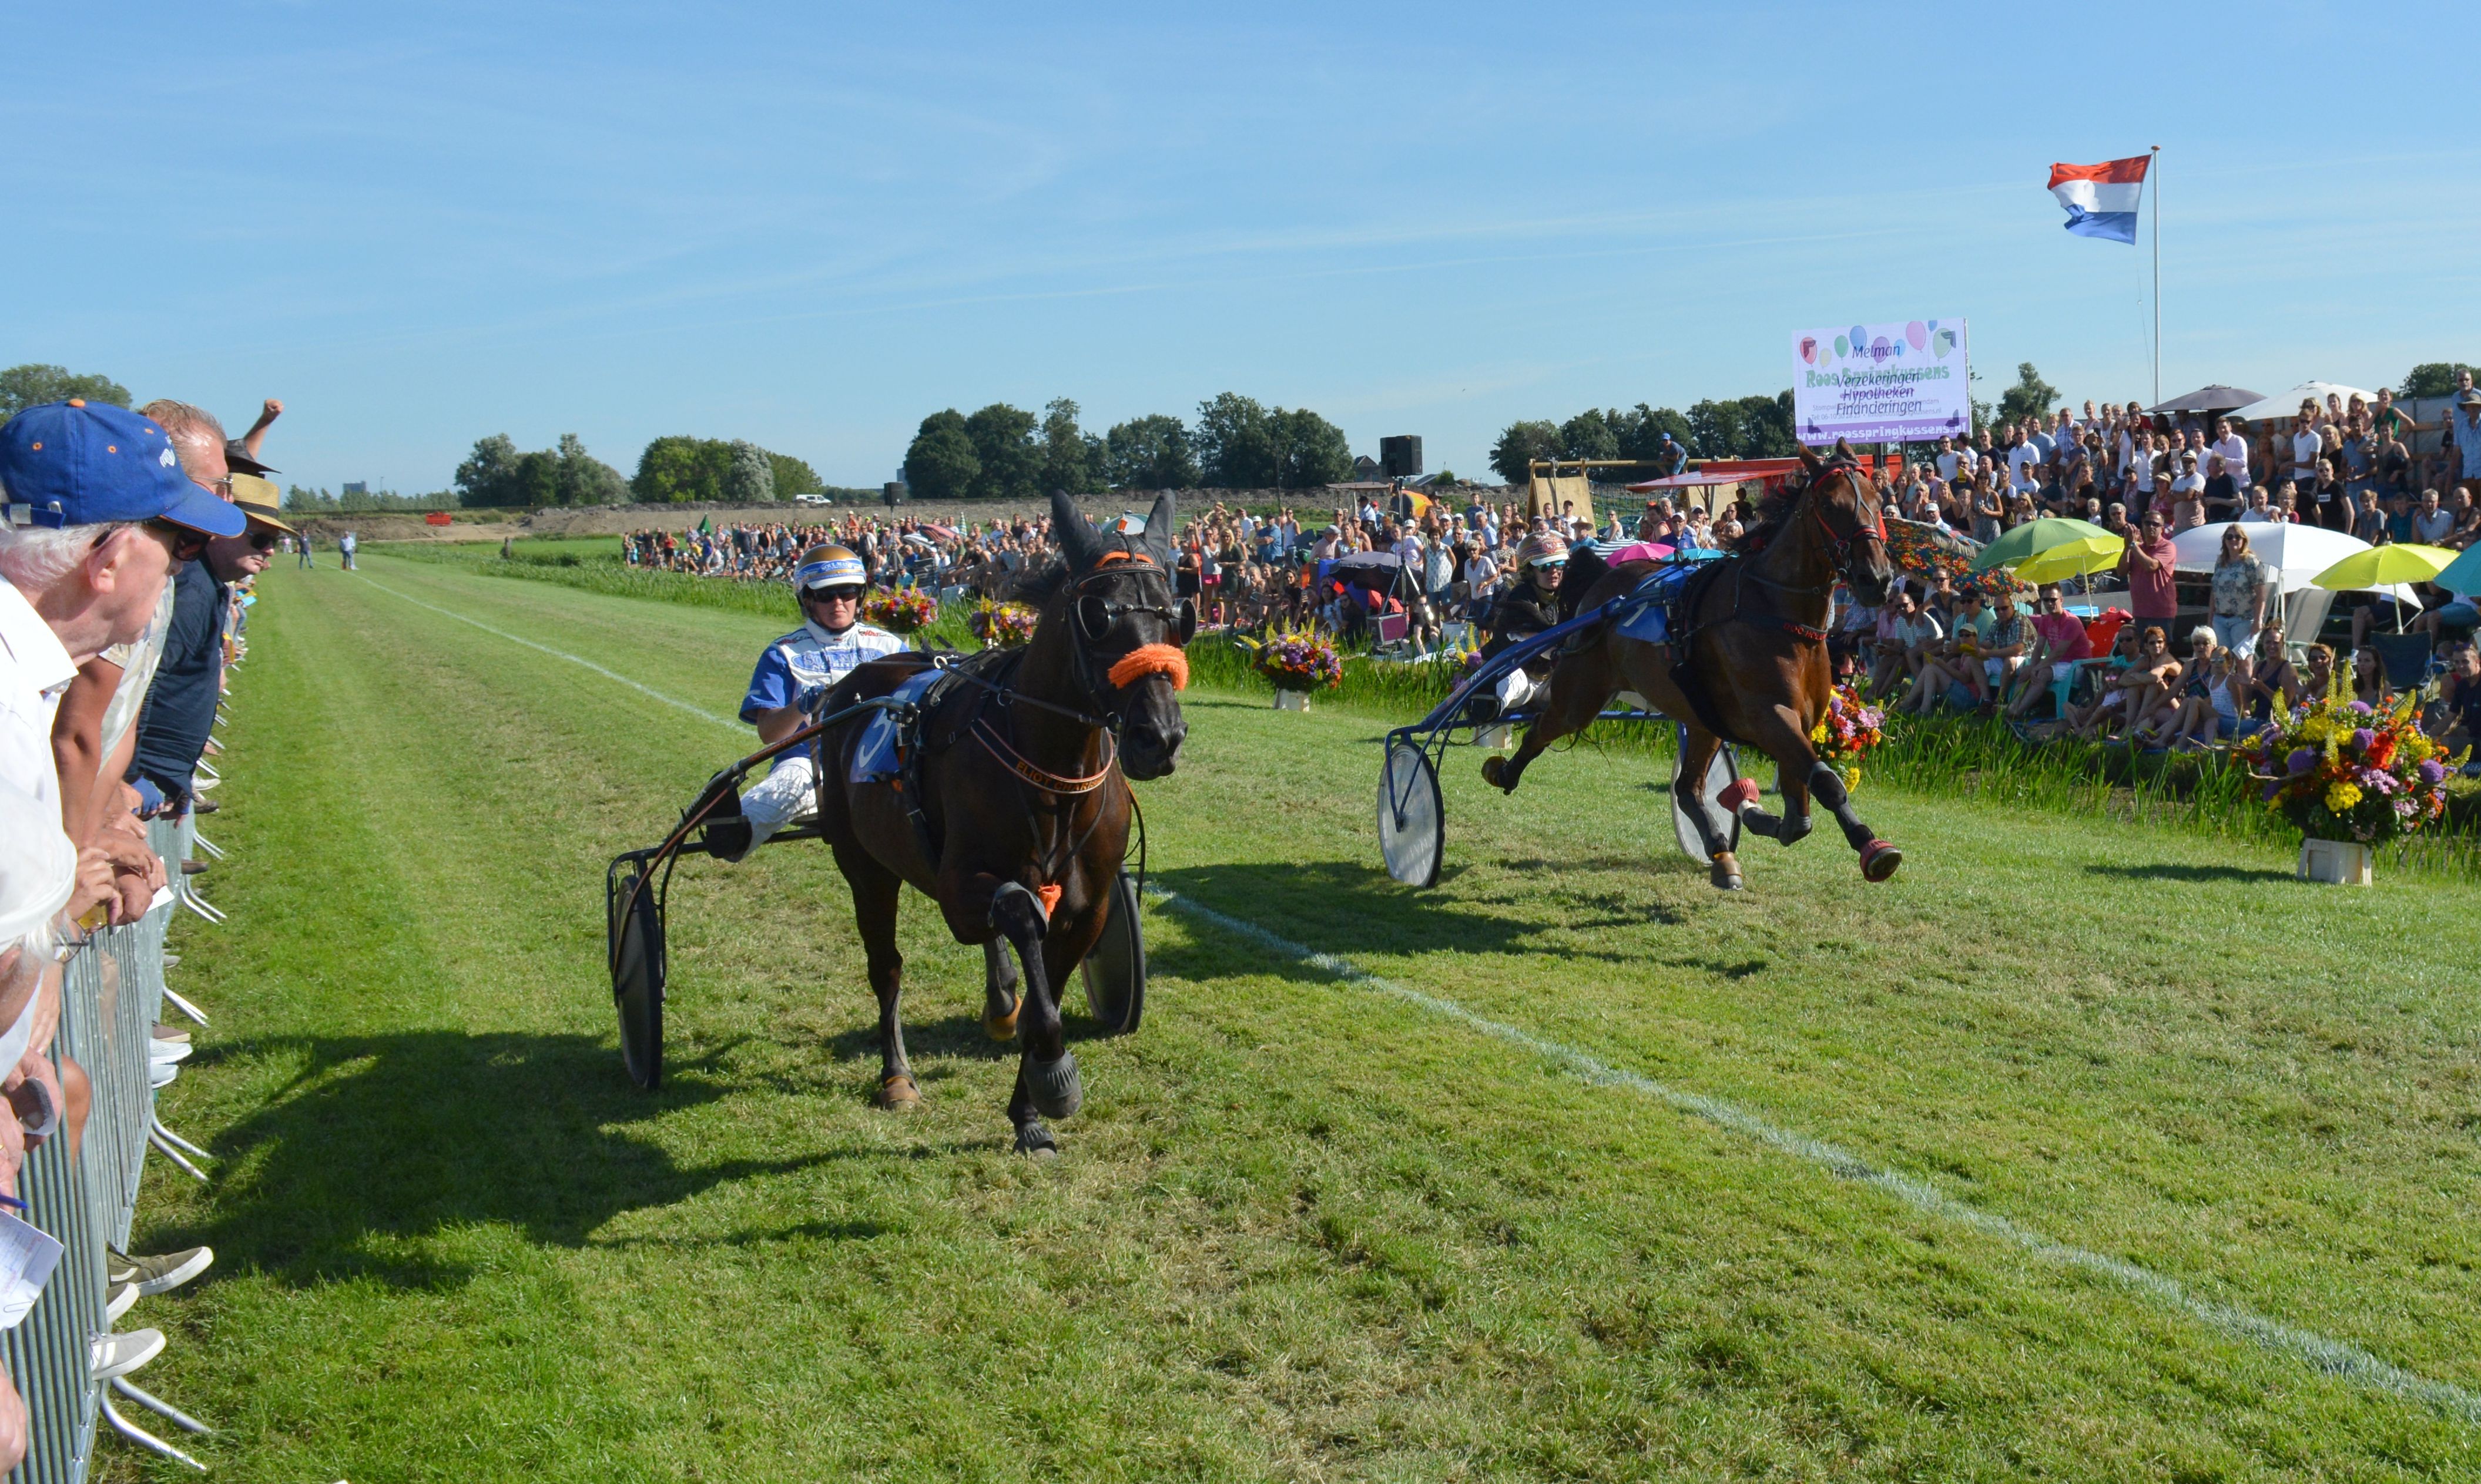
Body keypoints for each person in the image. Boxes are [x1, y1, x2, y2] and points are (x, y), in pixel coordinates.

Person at [726, 545, 905, 858]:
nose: (838, 603)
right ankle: (730, 831)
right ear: (807, 599)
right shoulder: (783, 653)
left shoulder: (890, 645)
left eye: (847, 592)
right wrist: (801, 707)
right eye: (826, 595)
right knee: (739, 834)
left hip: (883, 759)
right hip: (810, 763)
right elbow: (770, 735)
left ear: (860, 596)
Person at [2207, 526, 2269, 657]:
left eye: (2237, 537)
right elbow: (2214, 592)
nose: (2233, 540)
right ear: (2224, 541)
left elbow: (2261, 595)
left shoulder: (2251, 562)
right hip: (2220, 619)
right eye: (2229, 537)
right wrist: (2210, 618)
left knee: (2243, 661)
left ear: (2244, 540)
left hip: (2243, 619)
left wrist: (2258, 620)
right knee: (2223, 660)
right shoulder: (2220, 562)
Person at [2120, 511, 2178, 633]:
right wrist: (2126, 548)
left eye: (2155, 524)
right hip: (2140, 611)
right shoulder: (2136, 548)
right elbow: (2121, 571)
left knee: (2160, 650)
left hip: (2161, 612)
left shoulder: (2168, 546)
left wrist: (2132, 545)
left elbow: (2151, 566)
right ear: (2142, 525)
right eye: (2148, 523)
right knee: (2144, 649)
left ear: (2162, 529)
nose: (2151, 527)